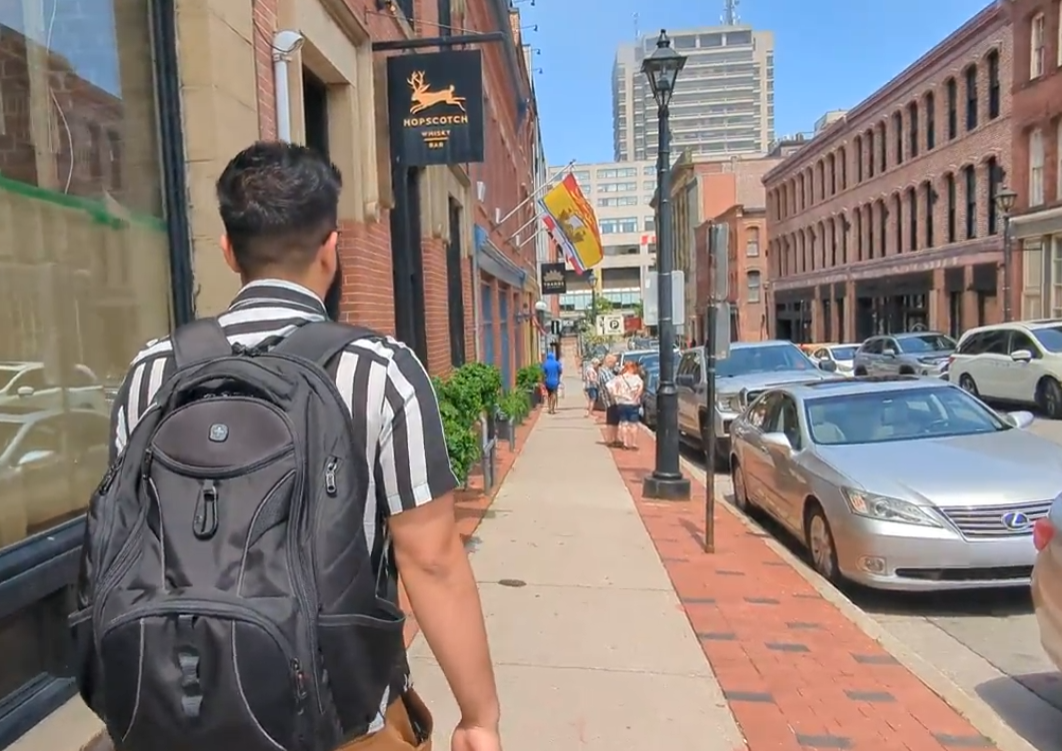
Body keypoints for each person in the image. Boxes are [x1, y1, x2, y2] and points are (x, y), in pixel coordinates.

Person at [97, 142, 501, 751]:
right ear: (331, 249)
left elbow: (120, 539)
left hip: (169, 710)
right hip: (340, 719)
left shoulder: (153, 371)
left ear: (229, 249)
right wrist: (479, 716)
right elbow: (434, 559)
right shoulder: (381, 370)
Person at [609, 361, 644, 449]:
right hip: (632, 404)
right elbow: (640, 389)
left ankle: (625, 443)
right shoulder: (636, 378)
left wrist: (616, 396)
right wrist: (635, 398)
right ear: (632, 368)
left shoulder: (619, 378)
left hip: (622, 403)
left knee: (623, 423)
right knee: (633, 424)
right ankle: (634, 443)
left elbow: (611, 387)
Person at [597, 354, 620, 444]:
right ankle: (611, 439)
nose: (615, 365)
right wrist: (615, 395)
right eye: (614, 363)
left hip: (612, 399)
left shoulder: (608, 371)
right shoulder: (605, 372)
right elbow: (609, 386)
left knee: (614, 420)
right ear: (609, 362)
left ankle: (615, 438)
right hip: (610, 400)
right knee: (611, 420)